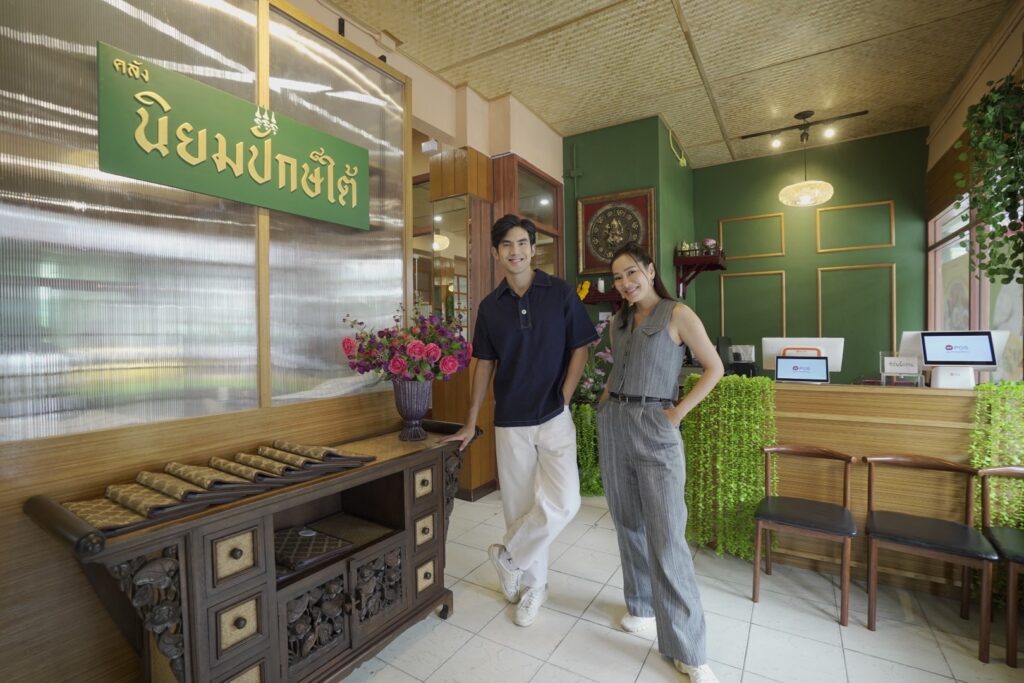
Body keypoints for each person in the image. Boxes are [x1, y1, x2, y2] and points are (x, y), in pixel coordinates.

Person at [441, 214, 597, 627]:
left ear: (533, 248)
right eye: (507, 245)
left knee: (566, 501)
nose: (516, 251)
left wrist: (564, 397)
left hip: (553, 415)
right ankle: (533, 588)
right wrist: (471, 420)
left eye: (522, 243)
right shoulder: (490, 307)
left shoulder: (560, 293)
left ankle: (508, 557)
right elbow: (484, 365)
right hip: (510, 419)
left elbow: (581, 348)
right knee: (519, 506)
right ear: (496, 253)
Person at [596, 241, 724, 683]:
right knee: (627, 522)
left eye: (631, 272)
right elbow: (617, 370)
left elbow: (714, 368)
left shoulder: (677, 314)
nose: (625, 283)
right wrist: (604, 402)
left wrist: (677, 414)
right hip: (615, 424)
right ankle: (642, 606)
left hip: (655, 425)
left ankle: (688, 649)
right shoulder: (619, 322)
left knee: (667, 535)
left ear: (650, 270)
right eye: (617, 277)